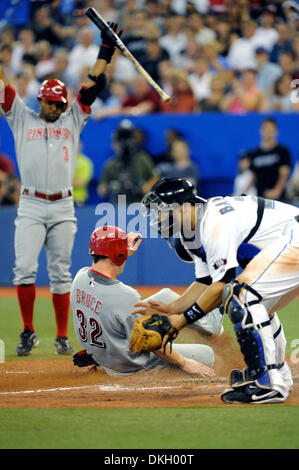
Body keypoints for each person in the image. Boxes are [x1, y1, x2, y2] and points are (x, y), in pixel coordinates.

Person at [0, 21, 122, 356]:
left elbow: (91, 86)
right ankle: (28, 331)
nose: (54, 108)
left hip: (63, 206)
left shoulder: (72, 118)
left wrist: (106, 50)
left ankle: (61, 336)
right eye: (49, 103)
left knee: (60, 274)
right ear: (40, 101)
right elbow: (3, 85)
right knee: (24, 268)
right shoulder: (20, 117)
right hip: (31, 204)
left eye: (58, 103)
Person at [133, 177, 298, 404]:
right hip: (288, 244)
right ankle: (275, 374)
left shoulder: (214, 221)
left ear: (183, 205)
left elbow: (222, 284)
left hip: (294, 239)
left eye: (162, 210)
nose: (158, 218)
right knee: (258, 306)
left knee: (241, 297)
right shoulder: (192, 230)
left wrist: (180, 321)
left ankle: (268, 383)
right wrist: (171, 307)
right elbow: (206, 282)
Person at [71, 225, 216, 377]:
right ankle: (213, 324)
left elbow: (105, 271)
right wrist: (184, 362)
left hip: (103, 353)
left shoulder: (80, 277)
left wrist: (120, 251)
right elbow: (152, 344)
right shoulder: (126, 295)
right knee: (208, 354)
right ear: (119, 255)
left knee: (165, 296)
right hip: (130, 365)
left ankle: (100, 356)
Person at [97, 119, 158, 204]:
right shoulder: (111, 163)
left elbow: (155, 177)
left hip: (139, 203)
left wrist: (145, 187)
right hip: (118, 205)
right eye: (120, 141)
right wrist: (110, 187)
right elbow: (101, 190)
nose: (124, 143)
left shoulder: (142, 158)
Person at [241, 117, 292, 201]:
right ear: (261, 131)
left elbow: (284, 173)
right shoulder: (255, 153)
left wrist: (277, 191)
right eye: (265, 128)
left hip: (279, 200)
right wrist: (244, 192)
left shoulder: (282, 151)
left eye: (271, 128)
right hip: (261, 198)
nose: (268, 131)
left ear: (276, 131)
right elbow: (254, 176)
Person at [72, 142, 94, 207]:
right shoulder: (62, 161)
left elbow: (80, 183)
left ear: (81, 145)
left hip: (79, 200)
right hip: (62, 200)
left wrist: (62, 181)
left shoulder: (86, 162)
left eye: (78, 143)